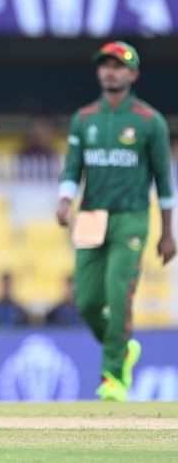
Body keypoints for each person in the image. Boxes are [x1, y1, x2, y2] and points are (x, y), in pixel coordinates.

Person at [56, 40, 175, 401]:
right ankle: (123, 349)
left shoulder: (149, 121)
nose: (111, 71)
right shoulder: (85, 118)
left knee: (118, 293)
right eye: (105, 65)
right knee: (89, 301)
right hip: (91, 215)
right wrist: (65, 199)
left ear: (133, 74)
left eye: (119, 65)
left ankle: (113, 376)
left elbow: (164, 181)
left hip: (131, 217)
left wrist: (168, 232)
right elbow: (73, 168)